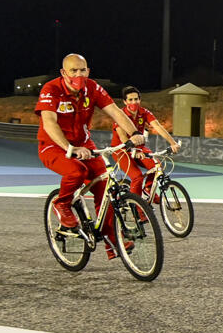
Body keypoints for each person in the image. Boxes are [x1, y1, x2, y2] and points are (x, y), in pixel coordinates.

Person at [36, 54, 144, 259]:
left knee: (104, 186)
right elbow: (49, 123)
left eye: (82, 70)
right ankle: (62, 204)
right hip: (53, 145)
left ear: (88, 71)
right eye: (73, 71)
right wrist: (70, 148)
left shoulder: (92, 88)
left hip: (85, 144)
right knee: (77, 171)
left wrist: (134, 133)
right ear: (63, 73)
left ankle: (110, 237)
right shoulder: (51, 89)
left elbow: (115, 112)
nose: (78, 75)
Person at [111, 86, 180, 201]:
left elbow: (158, 126)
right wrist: (135, 150)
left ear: (140, 99)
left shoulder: (144, 113)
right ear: (125, 101)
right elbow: (123, 136)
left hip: (139, 147)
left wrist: (173, 143)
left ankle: (147, 190)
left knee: (157, 166)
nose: (134, 102)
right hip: (121, 150)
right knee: (137, 177)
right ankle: (137, 208)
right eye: (130, 100)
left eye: (136, 99)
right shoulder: (120, 115)